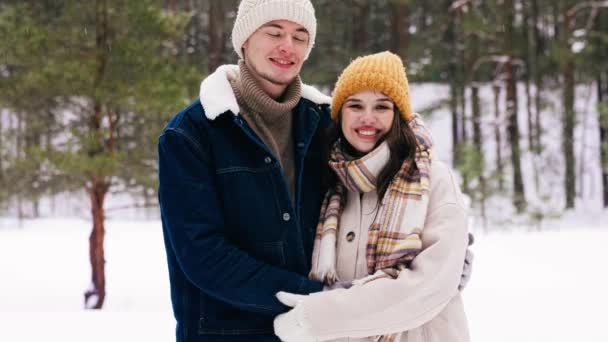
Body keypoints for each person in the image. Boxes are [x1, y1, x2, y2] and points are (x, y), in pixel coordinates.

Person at [157, 1, 332, 341]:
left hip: (315, 332)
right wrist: (308, 295)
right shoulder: (191, 134)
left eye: (300, 36)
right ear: (245, 40)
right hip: (225, 332)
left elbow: (378, 192)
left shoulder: (324, 123)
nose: (288, 46)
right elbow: (203, 254)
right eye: (274, 32)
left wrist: (437, 252)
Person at [273, 51, 471, 342]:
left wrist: (318, 317)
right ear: (340, 115)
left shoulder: (433, 181)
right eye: (355, 105)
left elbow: (427, 287)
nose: (368, 118)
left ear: (398, 115)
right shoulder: (330, 184)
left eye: (382, 106)